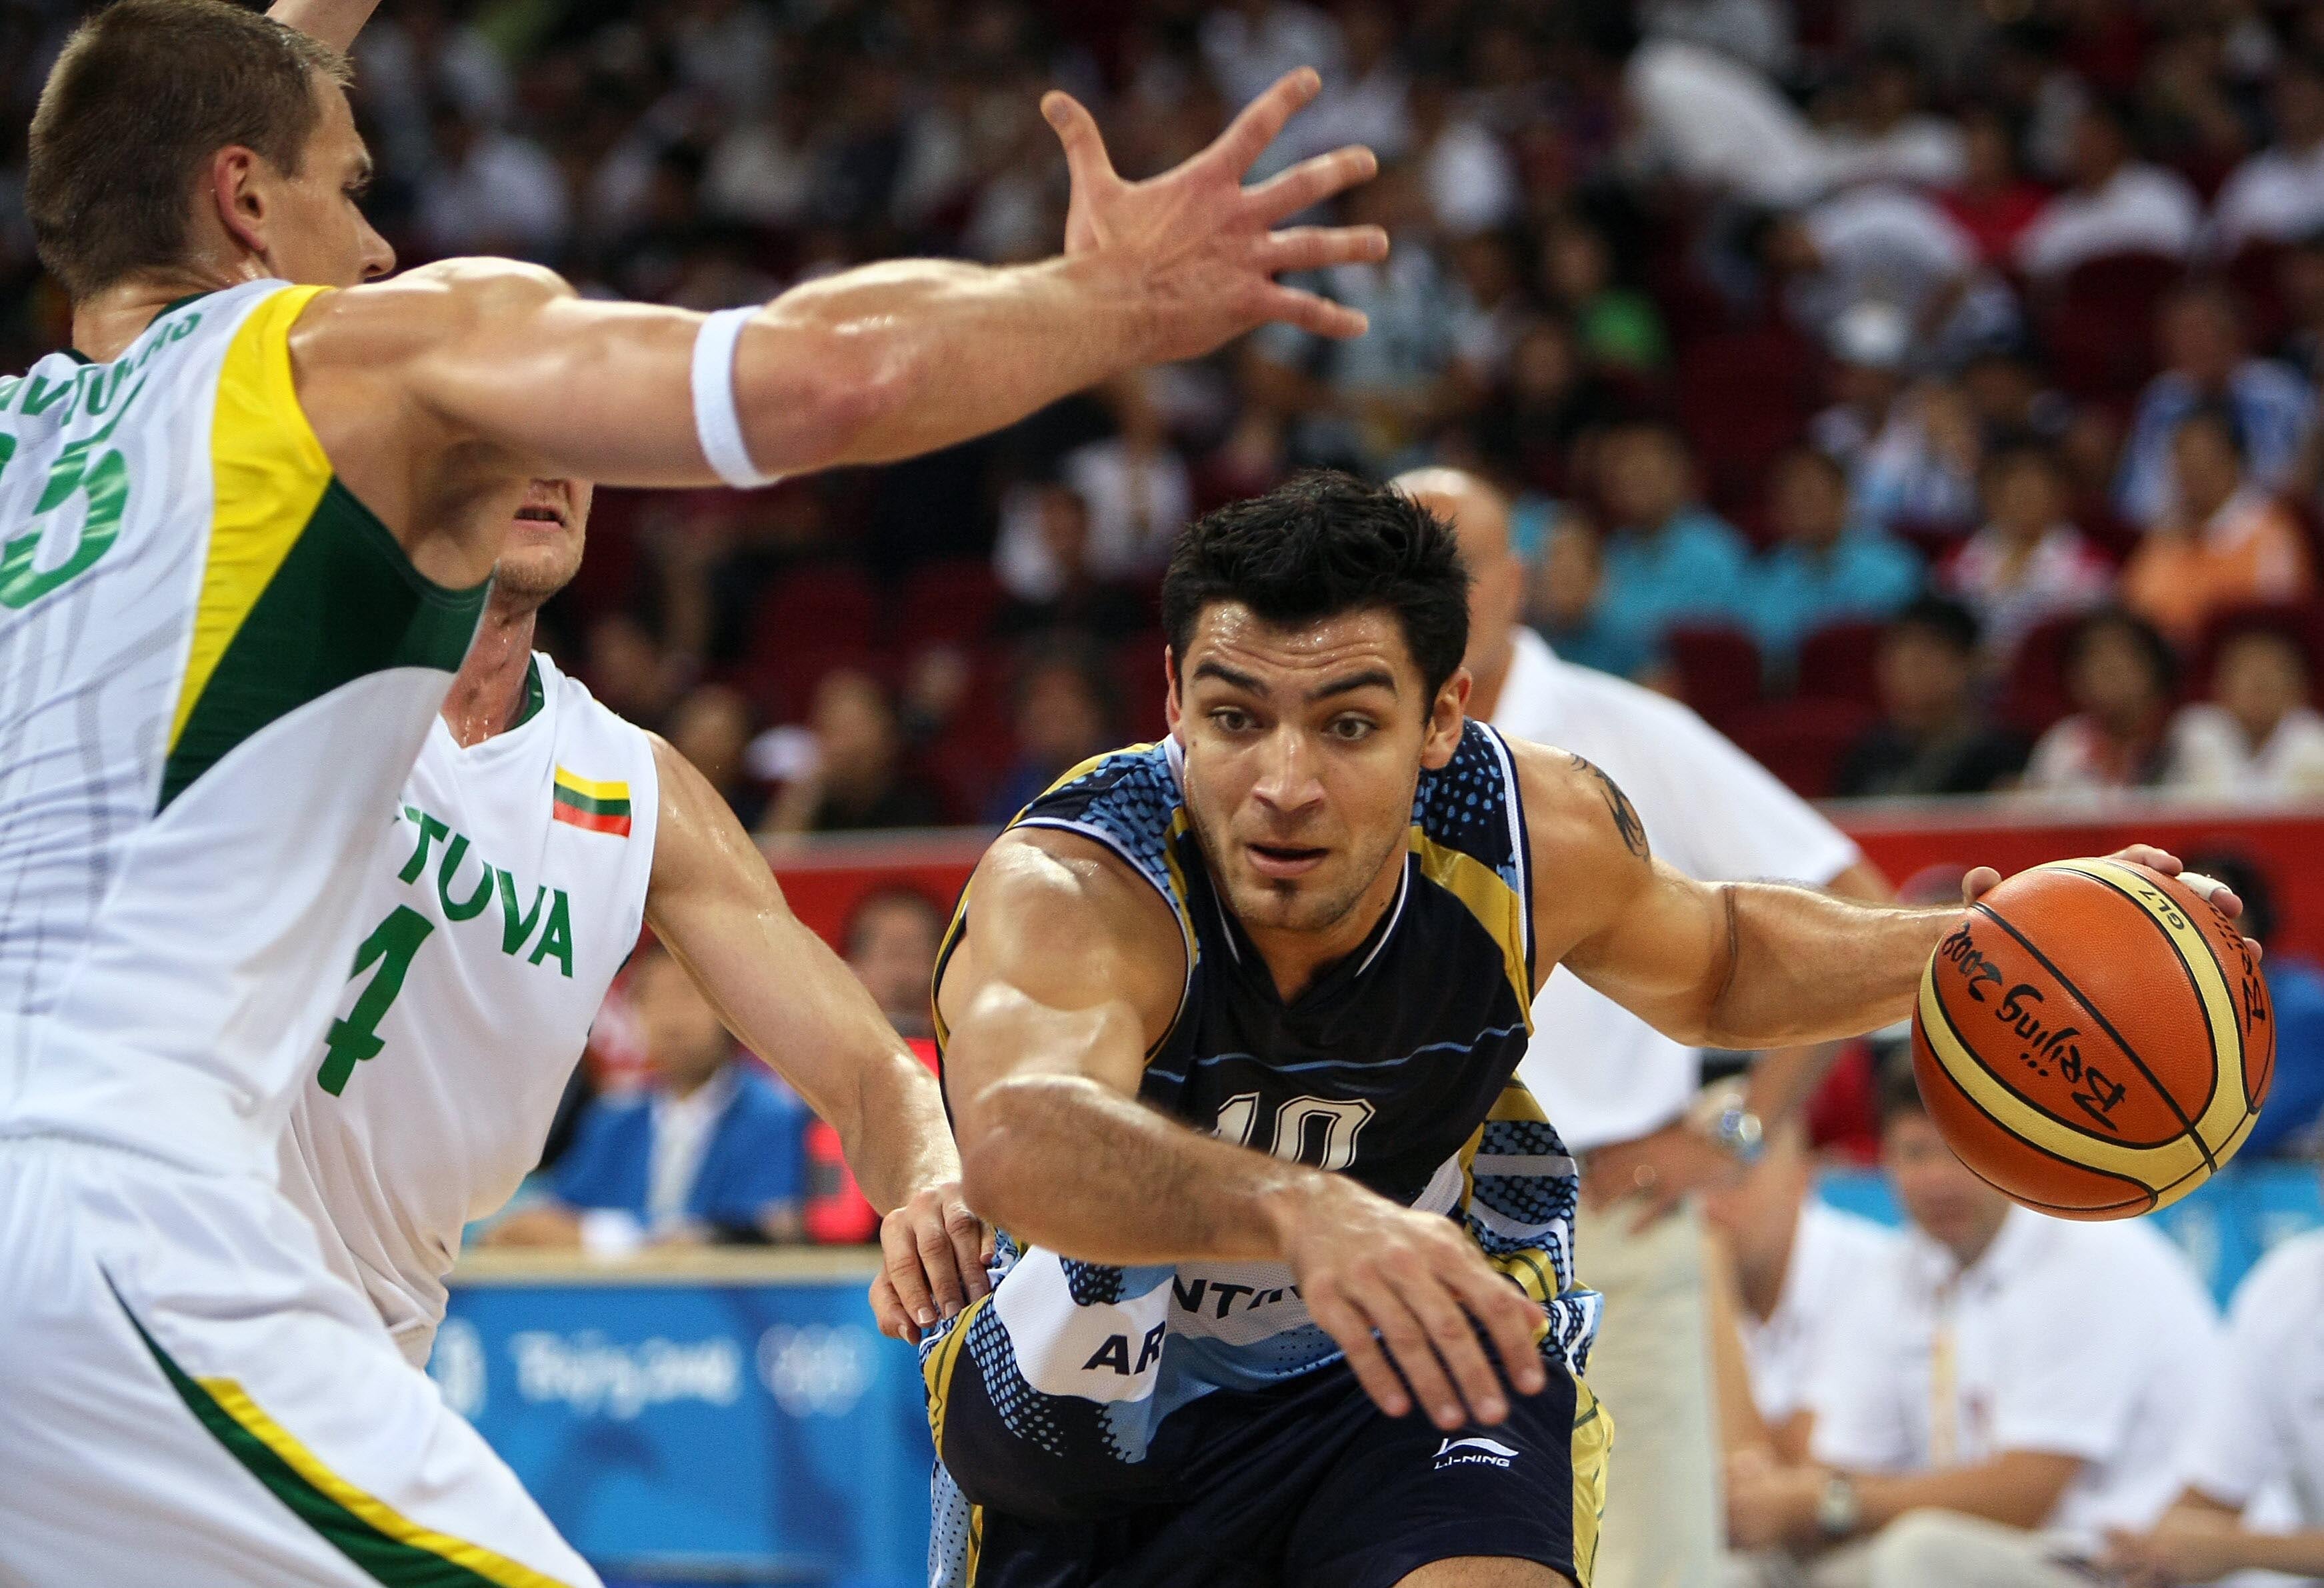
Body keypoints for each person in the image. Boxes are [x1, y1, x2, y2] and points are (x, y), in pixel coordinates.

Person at [0, 0, 1391, 1574]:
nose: (381, 248)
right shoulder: (346, 379)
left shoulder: (41, 461)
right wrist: (1108, 301)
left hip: (279, 1317)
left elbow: (155, 106)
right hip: (132, 1235)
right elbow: (822, 382)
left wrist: (926, 1154)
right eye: (356, 188)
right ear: (247, 203)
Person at [917, 470, 2225, 1588]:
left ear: (1447, 718)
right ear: (1172, 701)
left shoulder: (1531, 832)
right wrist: (1300, 1215)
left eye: (1351, 724)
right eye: (1236, 719)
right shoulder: (1086, 882)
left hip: (1423, 1345)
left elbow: (1720, 958)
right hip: (1103, 1386)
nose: (1285, 785)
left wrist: (1974, 959)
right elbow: (1021, 1138)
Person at [1397, 465, 1888, 1588]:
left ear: (1517, 582)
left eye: (1453, 566)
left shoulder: (1618, 735)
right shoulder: (1334, 755)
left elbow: (1855, 904)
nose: (1421, 595)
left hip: (1606, 1221)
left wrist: (1742, 1128)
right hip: (1397, 1252)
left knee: (1647, 1571)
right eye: (1391, 567)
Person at [1722, 1058, 2221, 1588]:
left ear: (2013, 1146)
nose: (1937, 1179)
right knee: (1746, 1570)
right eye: (1915, 1153)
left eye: (1960, 1152)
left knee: (1921, 1559)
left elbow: (2023, 1496)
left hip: (2141, 1568)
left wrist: (1826, 1502)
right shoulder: (1899, 1271)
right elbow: (1837, 1463)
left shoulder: (2090, 1252)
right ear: (1883, 1159)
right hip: (2026, 1557)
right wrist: (1778, 1499)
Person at [489, 941, 811, 1250]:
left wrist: (606, 1238)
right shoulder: (614, 1119)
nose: (672, 1019)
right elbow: (558, 1214)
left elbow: (759, 1232)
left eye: (688, 993)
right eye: (652, 997)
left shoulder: (778, 1118)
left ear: (728, 1006)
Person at [1702, 1117, 1897, 1463]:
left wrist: (1712, 1282)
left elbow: (1788, 1469)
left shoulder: (1876, 1272)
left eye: (1733, 1180)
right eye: (1699, 1186)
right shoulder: (1720, 1270)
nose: (1709, 1206)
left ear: (1800, 1178)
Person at [2114, 284, 2315, 531]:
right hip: (2188, 535)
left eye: (2202, 330)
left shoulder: (2279, 391)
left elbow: (2300, 483)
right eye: (2180, 334)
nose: (2192, 344)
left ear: (2235, 332)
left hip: (2274, 528)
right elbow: (2138, 502)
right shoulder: (2162, 401)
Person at [2122, 406, 2313, 648]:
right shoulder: (2163, 537)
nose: (2192, 469)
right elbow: (2134, 611)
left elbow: (2282, 626)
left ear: (2235, 459)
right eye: (2183, 458)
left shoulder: (2272, 534)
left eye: (2204, 456)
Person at [1745, 445, 1923, 673]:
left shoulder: (1896, 567)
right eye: (1789, 496)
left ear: (1843, 495)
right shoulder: (1766, 576)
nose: (1800, 506)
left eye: (1810, 493)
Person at [1937, 441, 2113, 664]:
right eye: (2014, 488)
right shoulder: (1962, 556)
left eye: (2033, 489)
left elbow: (2087, 644)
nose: (2022, 499)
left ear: (2060, 496)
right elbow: (1939, 627)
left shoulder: (2088, 564)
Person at [1833, 598, 2030, 797]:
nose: (1904, 676)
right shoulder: (1868, 754)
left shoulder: (2001, 761)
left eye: (1920, 661)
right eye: (1894, 661)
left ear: (1968, 663)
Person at [1594, 419, 1753, 662]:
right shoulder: (1610, 552)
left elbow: (1718, 650)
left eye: (1644, 472)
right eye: (1623, 468)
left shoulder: (1718, 552)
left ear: (1681, 474)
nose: (1629, 477)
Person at [2015, 100, 2201, 282]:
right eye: (2076, 138)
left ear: (2117, 137)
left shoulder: (2159, 190)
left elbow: (2189, 259)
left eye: (2093, 135)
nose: (2083, 146)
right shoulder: (2060, 210)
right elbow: (2030, 269)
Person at [2023, 609, 2181, 793]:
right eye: (2093, 660)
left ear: (2153, 666)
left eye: (2119, 658)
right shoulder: (2065, 741)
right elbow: (2039, 813)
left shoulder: (2193, 732)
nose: (2106, 671)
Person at [2167, 624, 2324, 797]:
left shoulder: (2314, 737)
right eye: (2246, 670)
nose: (2259, 682)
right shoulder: (2193, 733)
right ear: (2219, 685)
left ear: (2300, 689)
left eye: (2273, 671)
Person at [846, 885, 948, 1047]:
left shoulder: (959, 1050)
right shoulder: (837, 1052)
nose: (904, 970)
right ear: (855, 963)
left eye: (916, 953)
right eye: (894, 953)